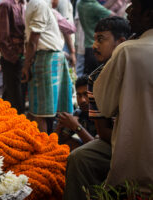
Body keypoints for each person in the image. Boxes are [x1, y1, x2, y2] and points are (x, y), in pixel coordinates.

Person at [63, 16, 131, 200]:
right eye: (94, 39)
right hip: (116, 142)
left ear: (121, 43)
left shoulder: (136, 68)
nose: (94, 45)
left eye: (101, 39)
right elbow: (103, 131)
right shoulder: (96, 78)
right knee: (78, 157)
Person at [94, 0, 153, 189]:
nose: (128, 11)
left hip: (136, 168)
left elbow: (104, 105)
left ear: (149, 14)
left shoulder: (128, 51)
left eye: (135, 5)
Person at [22, 0, 73, 133]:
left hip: (50, 58)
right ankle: (43, 147)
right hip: (46, 59)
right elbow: (33, 39)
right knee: (42, 113)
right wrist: (26, 66)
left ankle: (48, 144)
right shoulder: (39, 4)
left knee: (44, 111)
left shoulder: (39, 5)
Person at [0, 0, 26, 114]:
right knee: (16, 102)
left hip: (22, 58)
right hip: (12, 60)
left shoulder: (22, 4)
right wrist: (14, 58)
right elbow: (1, 39)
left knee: (15, 99)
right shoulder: (5, 5)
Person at [56, 75, 96, 150]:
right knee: (70, 144)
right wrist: (60, 127)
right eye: (79, 95)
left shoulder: (103, 116)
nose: (82, 100)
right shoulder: (78, 114)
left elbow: (97, 149)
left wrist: (76, 126)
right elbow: (59, 142)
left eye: (86, 94)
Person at [77, 0, 113, 75]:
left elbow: (101, 9)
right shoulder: (93, 6)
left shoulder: (81, 4)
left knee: (90, 77)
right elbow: (115, 18)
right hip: (97, 48)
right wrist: (124, 5)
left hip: (88, 46)